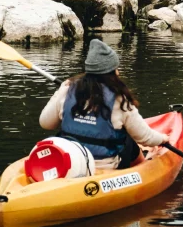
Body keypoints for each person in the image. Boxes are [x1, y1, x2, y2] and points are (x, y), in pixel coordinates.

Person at [39, 39, 170, 171]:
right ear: (112, 72)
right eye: (116, 69)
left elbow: (45, 123)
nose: (118, 72)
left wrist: (61, 91)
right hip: (103, 167)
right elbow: (146, 137)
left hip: (70, 163)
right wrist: (163, 139)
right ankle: (142, 170)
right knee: (128, 139)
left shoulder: (67, 88)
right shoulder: (120, 99)